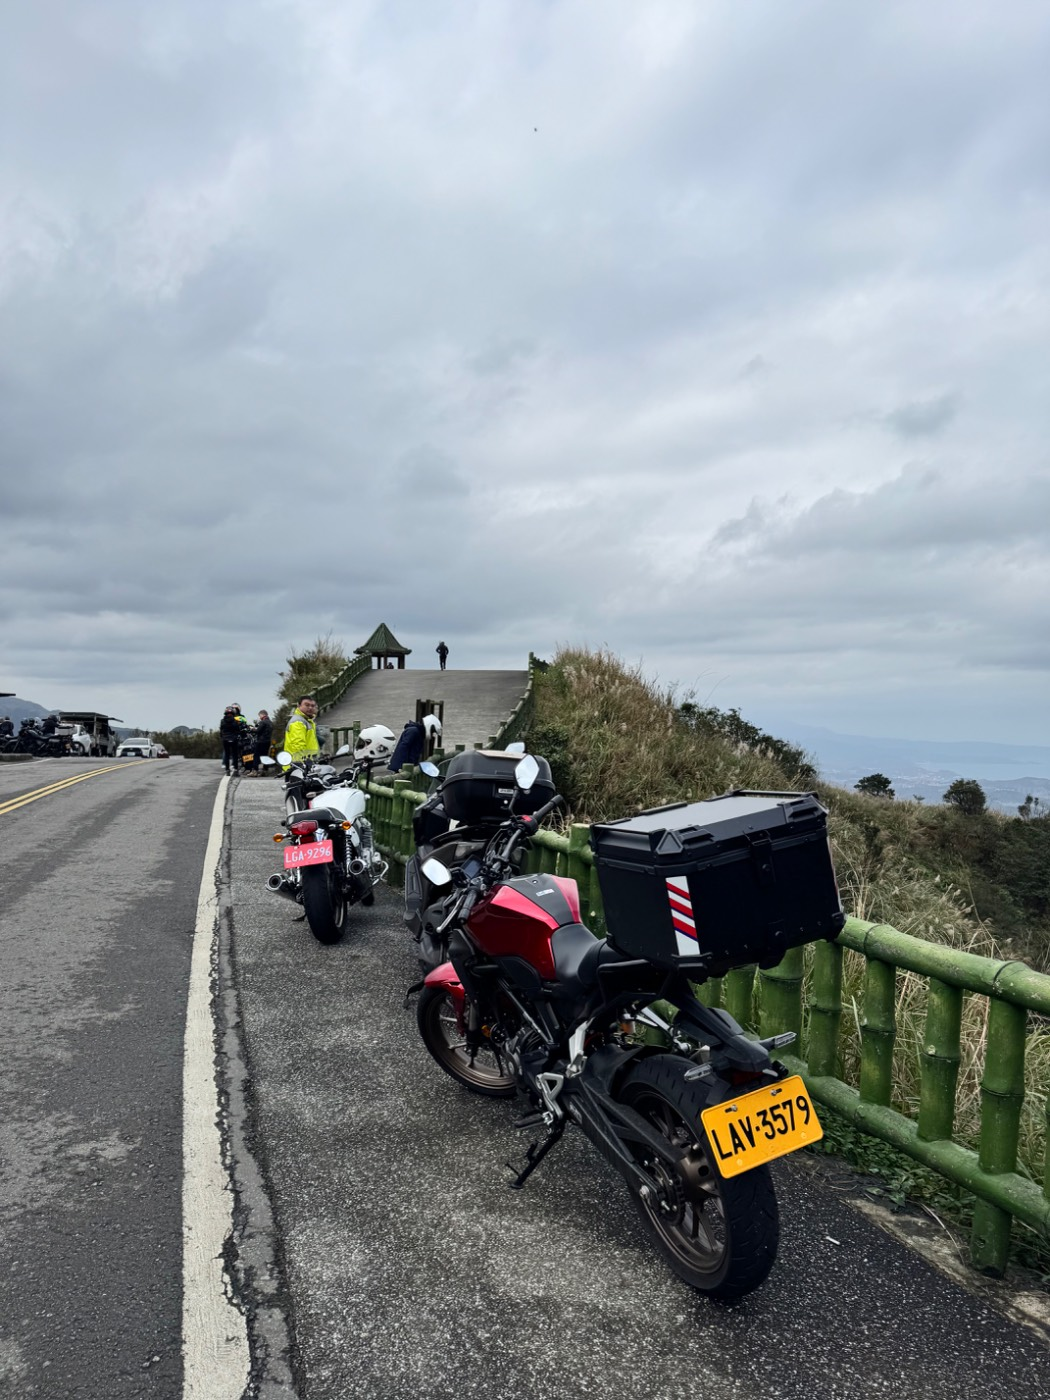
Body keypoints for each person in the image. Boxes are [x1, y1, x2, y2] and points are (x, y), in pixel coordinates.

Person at [283, 696, 320, 767]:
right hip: (298, 766)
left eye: (312, 706)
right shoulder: (298, 722)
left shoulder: (307, 721)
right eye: (307, 705)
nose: (310, 708)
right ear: (299, 705)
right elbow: (298, 745)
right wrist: (302, 764)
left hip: (306, 764)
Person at [219, 706, 244, 776]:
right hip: (234, 739)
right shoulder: (235, 721)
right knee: (235, 755)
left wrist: (222, 737)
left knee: (227, 755)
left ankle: (227, 770)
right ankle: (235, 770)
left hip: (225, 739)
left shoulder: (222, 721)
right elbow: (238, 730)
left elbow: (221, 730)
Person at [253, 710, 273, 775]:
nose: (259, 717)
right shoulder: (270, 722)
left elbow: (258, 731)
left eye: (260, 715)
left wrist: (252, 729)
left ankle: (255, 771)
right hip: (268, 741)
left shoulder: (263, 722)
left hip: (261, 741)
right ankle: (265, 770)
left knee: (256, 755)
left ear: (262, 715)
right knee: (265, 756)